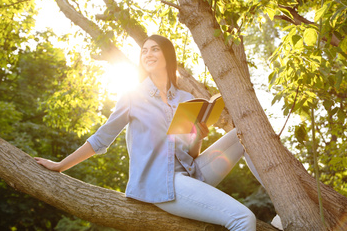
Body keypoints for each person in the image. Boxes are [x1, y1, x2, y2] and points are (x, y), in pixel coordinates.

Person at [35, 35, 262, 231]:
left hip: (192, 175)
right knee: (242, 218)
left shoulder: (184, 99)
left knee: (244, 133)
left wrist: (197, 136)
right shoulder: (133, 96)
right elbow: (101, 139)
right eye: (144, 50)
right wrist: (59, 165)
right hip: (162, 184)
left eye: (155, 49)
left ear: (167, 56)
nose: (148, 53)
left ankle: (283, 203)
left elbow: (191, 155)